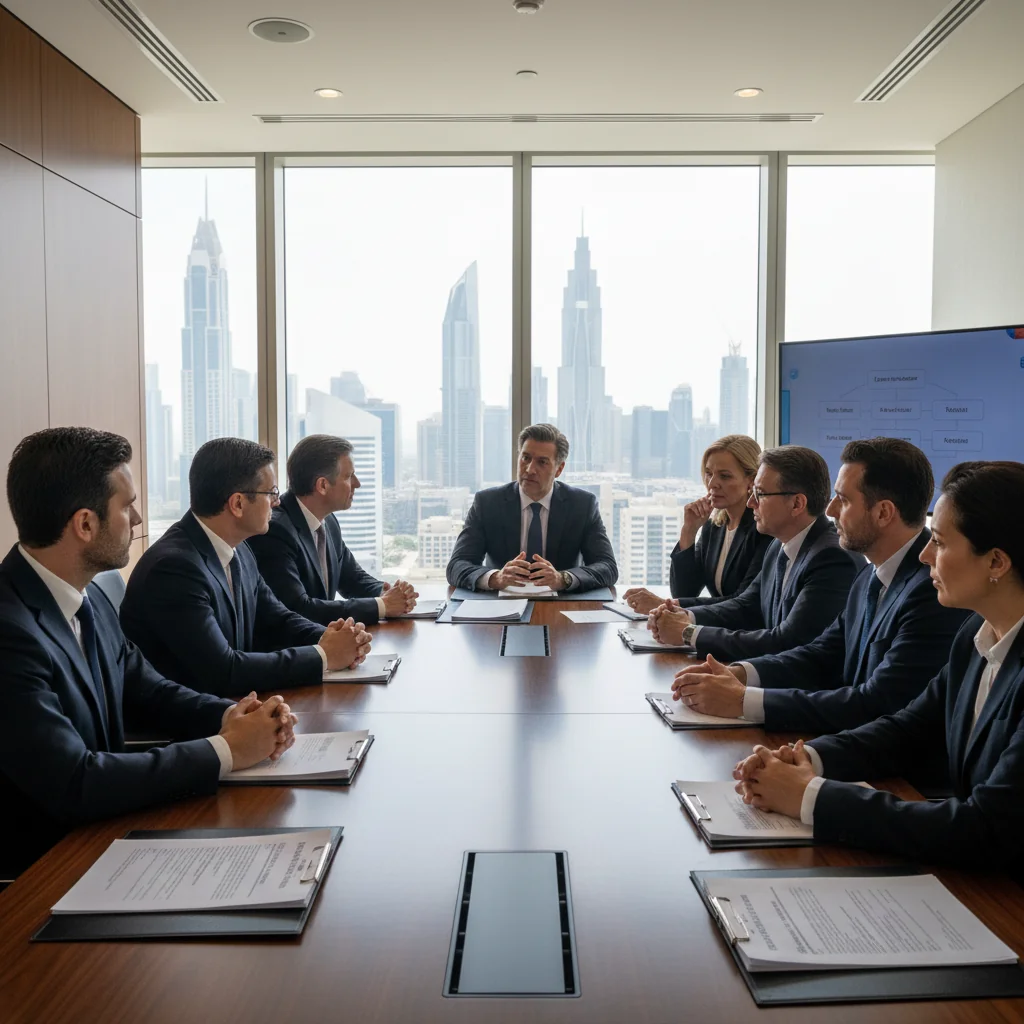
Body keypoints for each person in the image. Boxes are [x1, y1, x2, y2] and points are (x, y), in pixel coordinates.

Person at [0, 428, 297, 878]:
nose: (137, 518)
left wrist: (237, 715)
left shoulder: (90, 597)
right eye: (126, 505)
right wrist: (224, 750)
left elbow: (147, 688)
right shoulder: (9, 631)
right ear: (85, 524)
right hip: (46, 874)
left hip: (108, 835)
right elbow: (74, 781)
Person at [733, 461, 1024, 869]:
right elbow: (908, 729)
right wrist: (805, 759)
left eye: (939, 542)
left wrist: (810, 795)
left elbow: (988, 826)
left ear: (996, 562)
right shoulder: (976, 634)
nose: (925, 556)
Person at [671, 438, 970, 734]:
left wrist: (742, 700)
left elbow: (877, 702)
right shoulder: (870, 575)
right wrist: (738, 674)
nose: (829, 510)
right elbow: (821, 654)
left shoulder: (930, 592)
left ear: (883, 513)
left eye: (844, 499)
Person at [121, 438, 372, 698]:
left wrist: (337, 639)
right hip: (193, 723)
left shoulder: (239, 548)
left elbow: (277, 618)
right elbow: (223, 670)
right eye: (271, 493)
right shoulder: (174, 569)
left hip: (238, 706)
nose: (277, 502)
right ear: (238, 504)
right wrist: (323, 655)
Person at [648, 445, 861, 660]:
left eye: (759, 494)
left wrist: (689, 633)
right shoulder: (779, 545)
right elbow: (747, 605)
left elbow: (787, 641)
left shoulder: (832, 558)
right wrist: (684, 615)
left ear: (797, 503)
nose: (751, 503)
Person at [248, 434, 418, 625]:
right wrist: (382, 605)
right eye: (349, 476)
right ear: (322, 485)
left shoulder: (328, 521)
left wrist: (387, 592)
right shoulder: (275, 531)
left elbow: (352, 579)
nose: (357, 484)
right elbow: (298, 607)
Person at [446, 423, 617, 592]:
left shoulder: (582, 505)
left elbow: (607, 567)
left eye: (542, 462)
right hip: (500, 605)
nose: (530, 469)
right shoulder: (488, 503)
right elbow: (457, 565)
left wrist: (562, 578)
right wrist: (496, 578)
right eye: (525, 458)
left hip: (563, 606)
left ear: (559, 469)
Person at [623, 435, 771, 614]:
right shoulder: (714, 527)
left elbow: (743, 601)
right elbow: (685, 591)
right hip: (716, 628)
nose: (712, 484)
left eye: (724, 476)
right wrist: (689, 531)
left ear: (751, 480)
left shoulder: (764, 528)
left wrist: (667, 604)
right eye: (709, 473)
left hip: (744, 633)